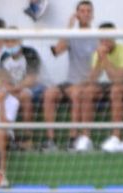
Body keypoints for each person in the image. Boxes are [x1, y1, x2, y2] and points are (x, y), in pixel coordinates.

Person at [41, 0, 97, 151]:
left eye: (88, 11)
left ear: (92, 15)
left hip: (88, 83)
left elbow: (98, 67)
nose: (85, 14)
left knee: (78, 93)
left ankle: (74, 137)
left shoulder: (97, 36)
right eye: (82, 11)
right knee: (49, 94)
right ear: (77, 14)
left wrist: (86, 81)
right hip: (70, 82)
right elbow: (57, 51)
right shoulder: (72, 35)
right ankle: (50, 140)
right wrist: (69, 27)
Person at [87, 24, 123, 153]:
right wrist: (100, 60)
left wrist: (104, 58)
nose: (104, 41)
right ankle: (85, 138)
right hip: (116, 84)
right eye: (102, 38)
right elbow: (93, 79)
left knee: (116, 89)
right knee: (87, 91)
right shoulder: (98, 53)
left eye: (108, 37)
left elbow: (118, 79)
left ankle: (122, 137)